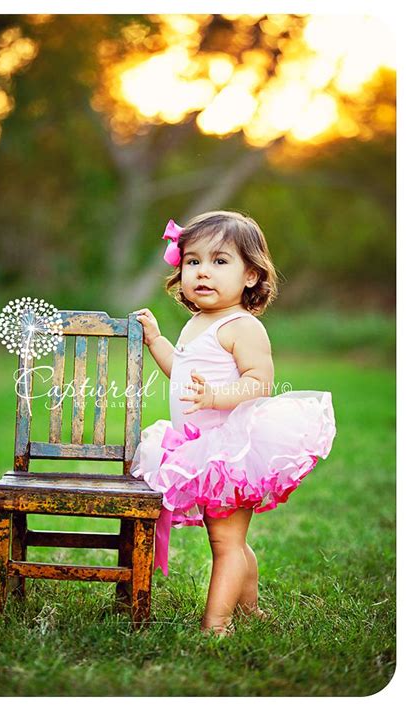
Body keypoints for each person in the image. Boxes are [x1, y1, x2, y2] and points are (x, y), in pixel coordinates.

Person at [130, 210, 336, 637]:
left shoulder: (242, 326)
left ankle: (218, 623)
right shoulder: (196, 323)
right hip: (197, 448)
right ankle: (249, 608)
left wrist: (216, 396)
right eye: (193, 261)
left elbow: (259, 384)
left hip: (230, 451)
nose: (203, 272)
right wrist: (156, 341)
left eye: (220, 261)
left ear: (250, 275)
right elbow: (181, 371)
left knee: (225, 544)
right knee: (231, 541)